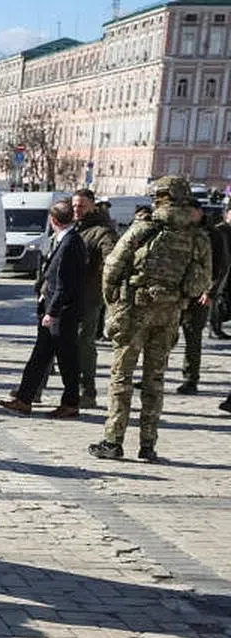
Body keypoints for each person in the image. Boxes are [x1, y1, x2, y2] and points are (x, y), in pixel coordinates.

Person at [89, 176, 211, 462]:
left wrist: (113, 302)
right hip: (170, 315)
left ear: (161, 197)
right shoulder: (198, 237)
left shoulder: (145, 228)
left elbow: (112, 267)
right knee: (155, 380)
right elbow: (203, 281)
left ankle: (113, 440)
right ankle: (148, 445)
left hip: (135, 311)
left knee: (122, 378)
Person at [0, 201, 87, 419]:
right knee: (39, 357)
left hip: (62, 313)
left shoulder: (70, 243)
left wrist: (52, 312)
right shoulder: (64, 239)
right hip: (54, 309)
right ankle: (24, 399)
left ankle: (70, 403)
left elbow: (64, 283)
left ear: (53, 220)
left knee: (67, 360)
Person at [72, 189, 118, 409]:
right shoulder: (75, 228)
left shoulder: (102, 231)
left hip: (88, 296)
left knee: (84, 343)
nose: (76, 210)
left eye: (81, 206)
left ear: (92, 206)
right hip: (66, 295)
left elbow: (112, 261)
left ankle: (87, 392)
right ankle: (34, 390)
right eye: (74, 206)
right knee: (51, 340)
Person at [177, 206, 230, 393]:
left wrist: (211, 292)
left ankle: (191, 379)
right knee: (164, 336)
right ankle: (154, 374)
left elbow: (222, 266)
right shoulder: (180, 229)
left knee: (192, 336)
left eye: (191, 211)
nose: (188, 215)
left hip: (199, 294)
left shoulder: (212, 234)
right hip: (177, 292)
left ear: (199, 212)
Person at [210, 206, 231, 338]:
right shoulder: (220, 230)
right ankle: (215, 328)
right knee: (217, 299)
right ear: (226, 216)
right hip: (221, 269)